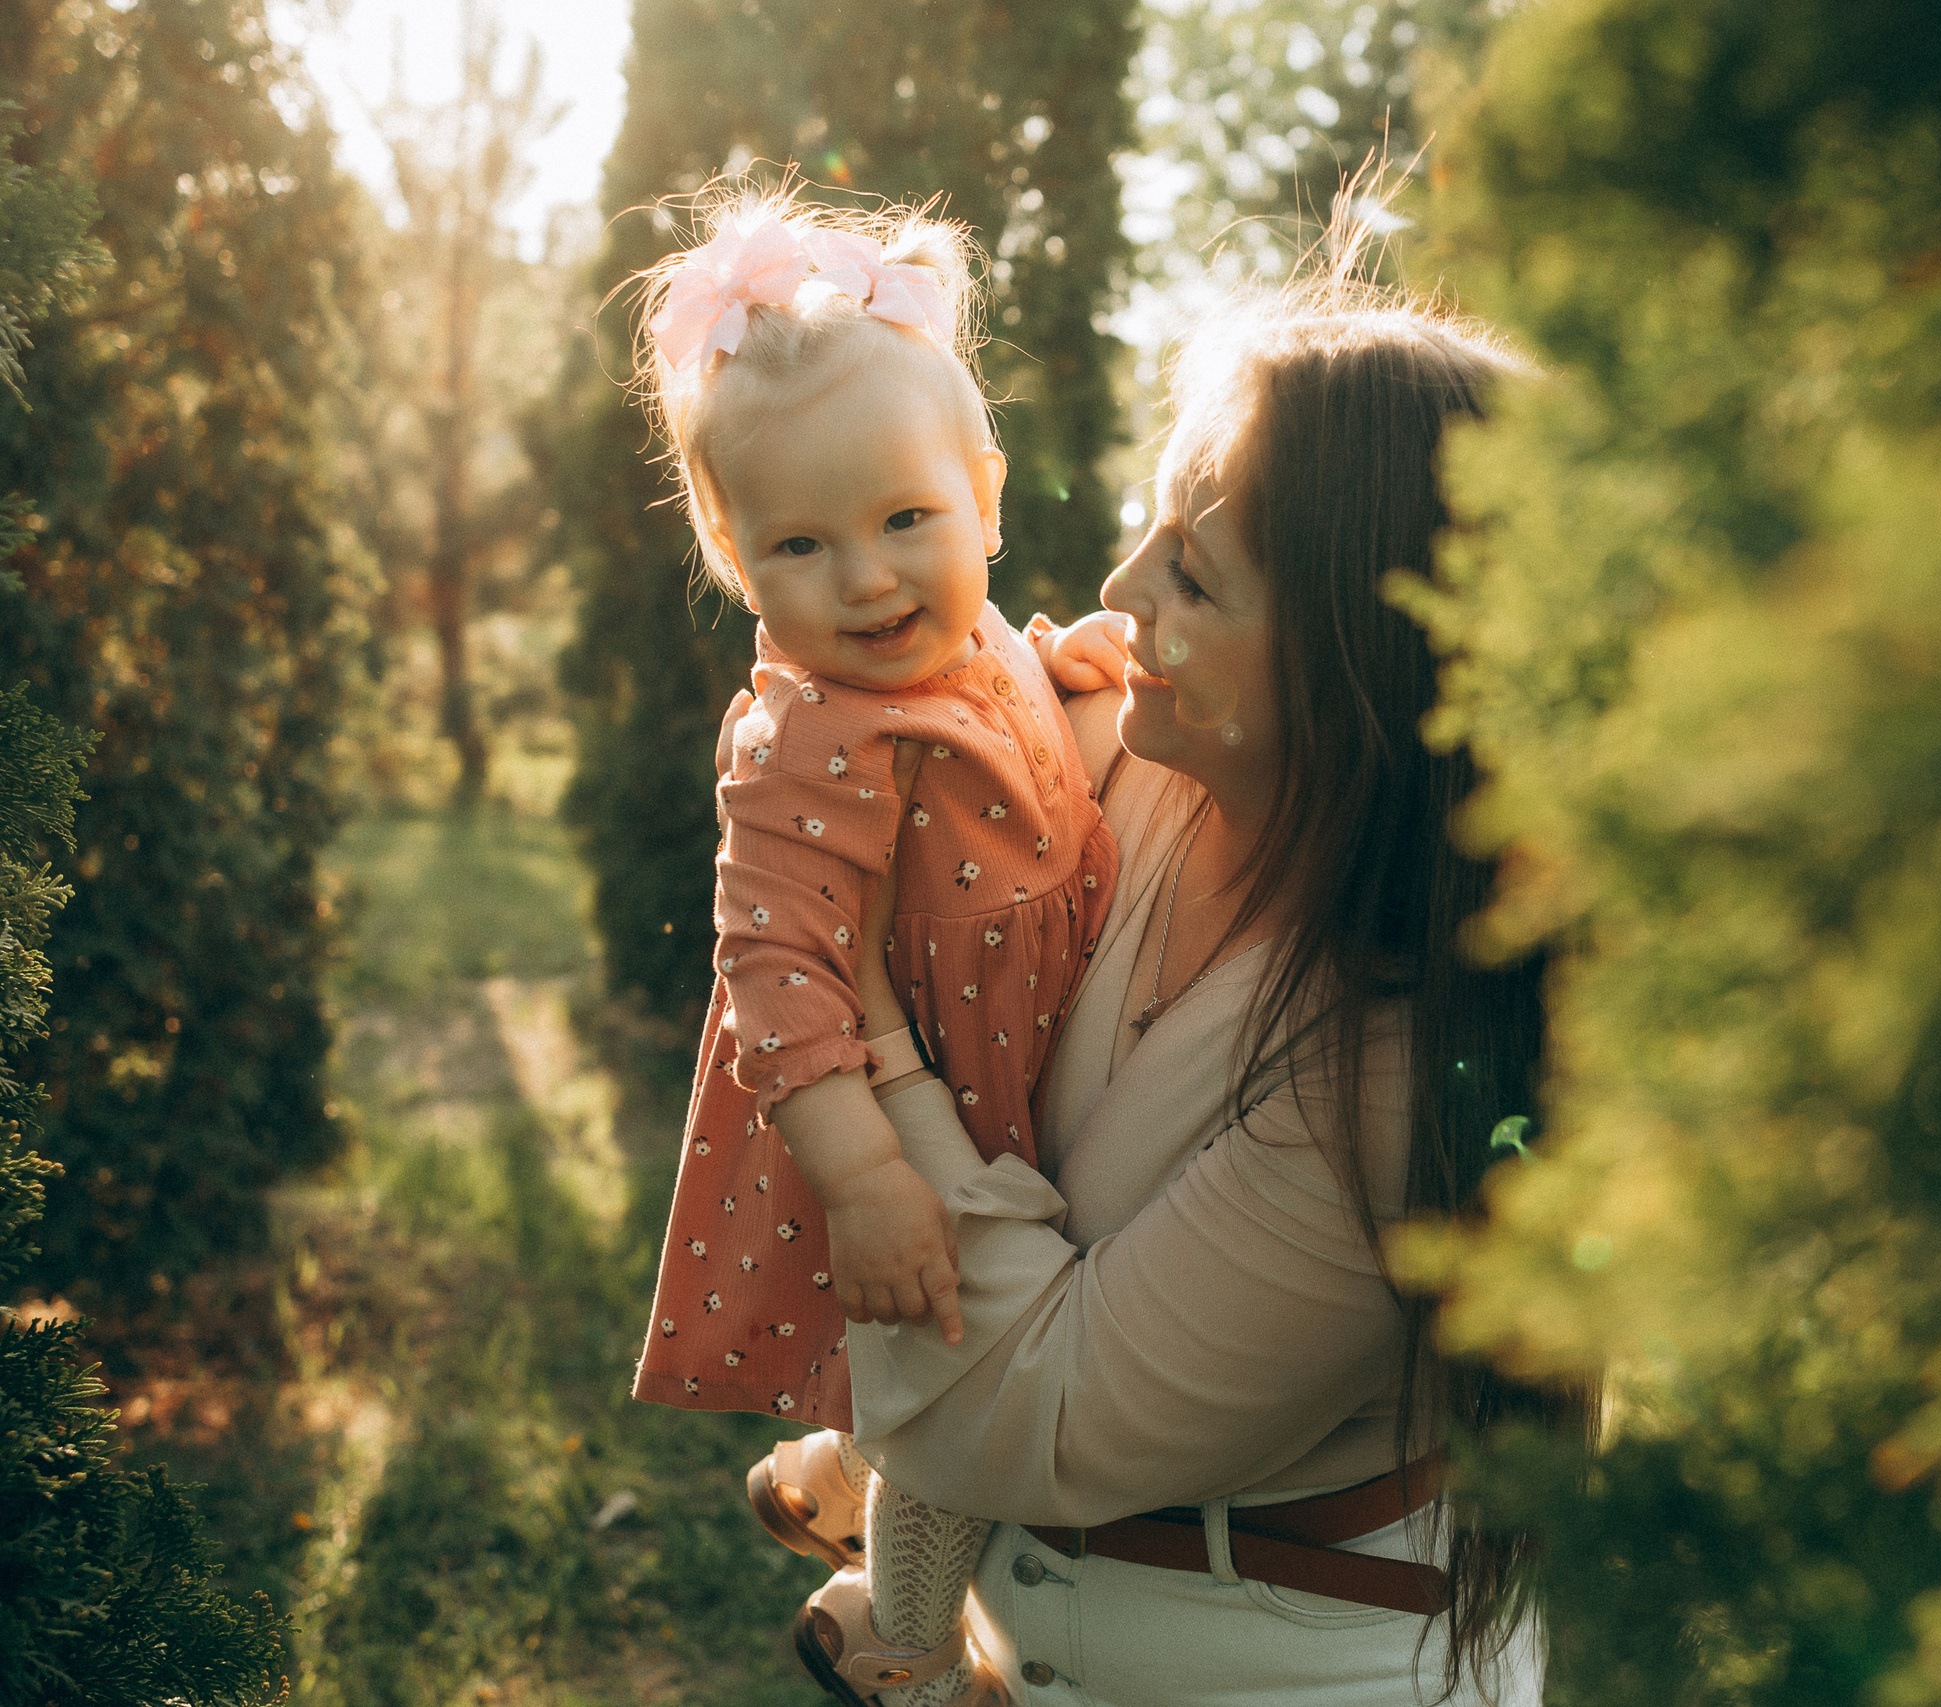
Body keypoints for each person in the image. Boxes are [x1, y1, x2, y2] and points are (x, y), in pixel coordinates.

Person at [783, 271, 1588, 1705]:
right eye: (1152, 525)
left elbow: (1043, 1412)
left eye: (1195, 576)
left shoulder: (1415, 1070)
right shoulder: (1130, 777)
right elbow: (828, 743)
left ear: (1368, 676)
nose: (1118, 592)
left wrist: (869, 1044)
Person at [619, 185, 1123, 1707]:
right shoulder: (804, 741)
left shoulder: (975, 647)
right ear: (729, 550)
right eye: (803, 543)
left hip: (1011, 1067)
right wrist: (867, 1177)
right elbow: (774, 979)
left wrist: (1057, 664)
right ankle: (898, 1632)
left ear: (984, 489)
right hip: (919, 1119)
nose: (870, 578)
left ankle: (838, 1466)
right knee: (971, 1364)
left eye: (909, 520)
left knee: (922, 1356)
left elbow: (990, 746)